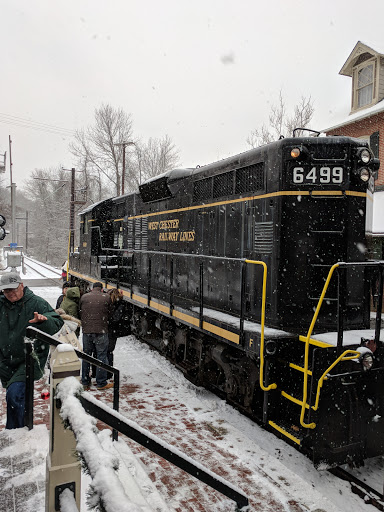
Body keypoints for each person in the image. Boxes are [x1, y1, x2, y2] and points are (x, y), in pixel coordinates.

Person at [0, 272, 63, 429]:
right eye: (6, 291)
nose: (10, 293)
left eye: (13, 289)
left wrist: (43, 321)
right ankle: (18, 428)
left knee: (14, 394)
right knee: (14, 397)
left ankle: (17, 431)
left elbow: (57, 321)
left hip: (29, 359)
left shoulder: (35, 302)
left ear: (21, 286)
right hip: (5, 360)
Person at [79, 282, 113, 390]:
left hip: (87, 331)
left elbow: (80, 311)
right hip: (101, 331)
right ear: (102, 289)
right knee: (101, 356)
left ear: (92, 289)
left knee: (86, 355)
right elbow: (110, 313)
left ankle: (85, 381)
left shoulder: (84, 297)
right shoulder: (106, 297)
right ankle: (101, 382)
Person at [107, 288, 125, 379]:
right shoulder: (120, 304)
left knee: (105, 351)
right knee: (109, 351)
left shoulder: (109, 304)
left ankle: (106, 372)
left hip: (108, 330)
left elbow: (114, 318)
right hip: (113, 331)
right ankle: (109, 372)